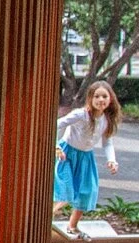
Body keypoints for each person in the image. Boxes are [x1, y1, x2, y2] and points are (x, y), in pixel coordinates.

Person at [52, 80, 122, 230]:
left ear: (110, 99)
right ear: (90, 98)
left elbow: (107, 143)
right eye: (97, 96)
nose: (101, 100)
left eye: (104, 96)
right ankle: (46, 219)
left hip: (85, 158)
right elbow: (57, 124)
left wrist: (112, 160)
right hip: (67, 154)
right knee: (65, 190)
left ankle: (72, 226)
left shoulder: (106, 120)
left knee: (86, 191)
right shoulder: (81, 115)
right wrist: (56, 147)